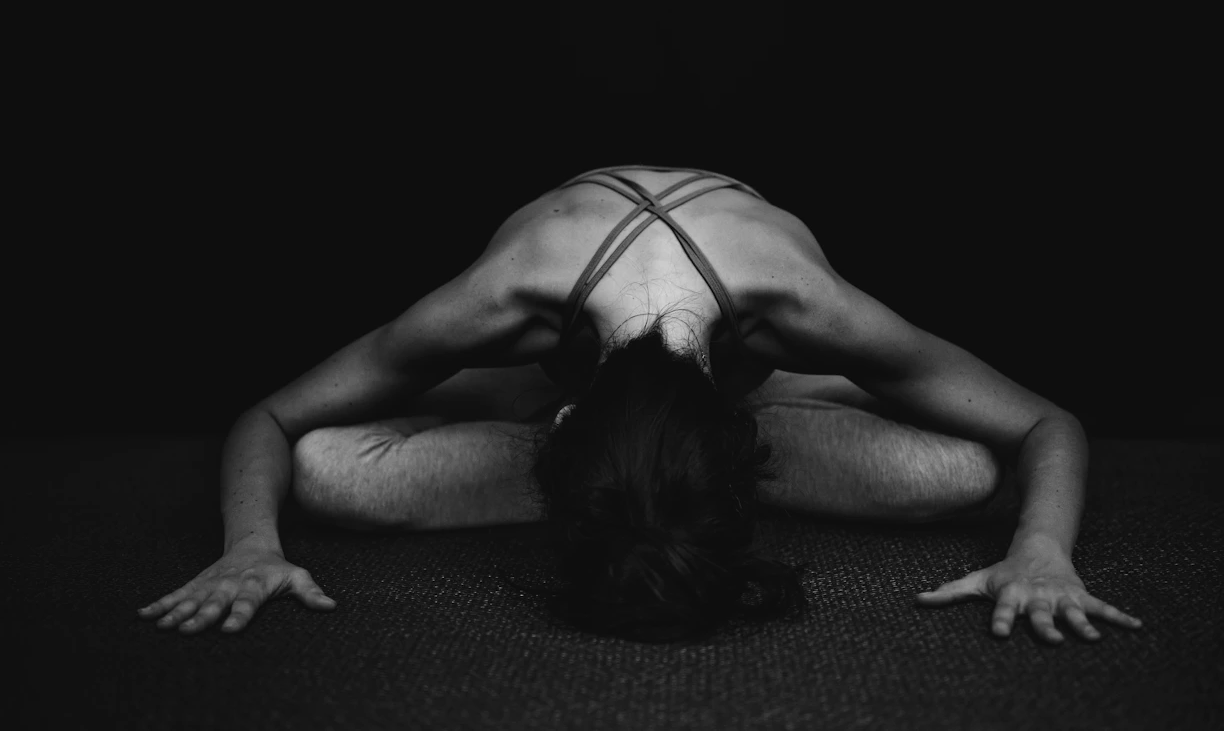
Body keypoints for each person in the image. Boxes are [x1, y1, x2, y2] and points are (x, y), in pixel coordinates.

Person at [138, 165, 1143, 643]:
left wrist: (1043, 550)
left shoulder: (801, 308)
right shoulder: (505, 301)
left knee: (969, 468)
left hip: (736, 374)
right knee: (312, 471)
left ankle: (653, 482)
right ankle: (646, 481)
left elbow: (1044, 421)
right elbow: (269, 418)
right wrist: (249, 545)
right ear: (564, 425)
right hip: (542, 376)